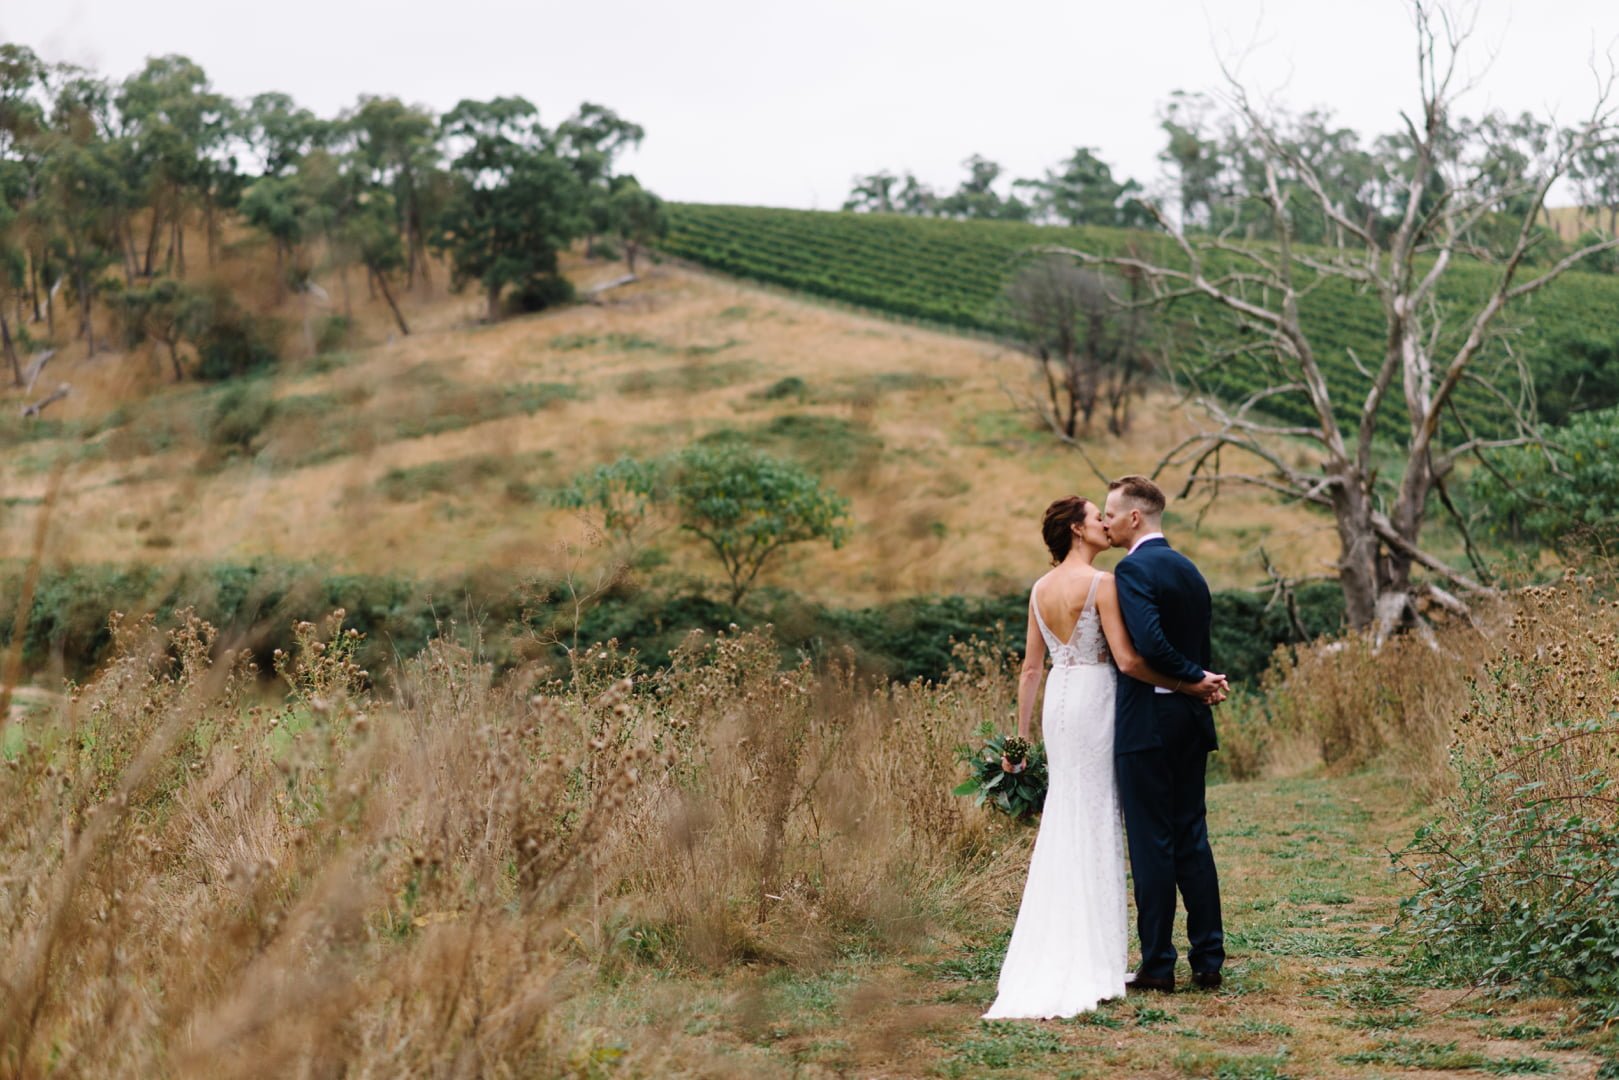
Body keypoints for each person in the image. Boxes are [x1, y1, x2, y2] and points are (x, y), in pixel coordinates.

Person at [983, 495, 1226, 1020]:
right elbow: (1130, 661)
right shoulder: (1104, 583)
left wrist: (1018, 746)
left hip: (1058, 707)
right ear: (1077, 529)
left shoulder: (1039, 589)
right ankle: (1102, 950)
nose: (1105, 523)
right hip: (1097, 703)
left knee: (1068, 811)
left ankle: (1070, 941)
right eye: (1097, 517)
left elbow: (1029, 671)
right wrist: (1192, 684)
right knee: (1101, 816)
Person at [1103, 475, 1227, 993]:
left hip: (1150, 725)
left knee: (1153, 845)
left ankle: (1157, 964)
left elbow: (1150, 645)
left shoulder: (1131, 568)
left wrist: (1192, 678)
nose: (1106, 522)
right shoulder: (1189, 569)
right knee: (1191, 838)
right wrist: (1198, 682)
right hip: (1189, 723)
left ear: (1135, 517)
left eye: (1111, 513)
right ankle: (1208, 958)